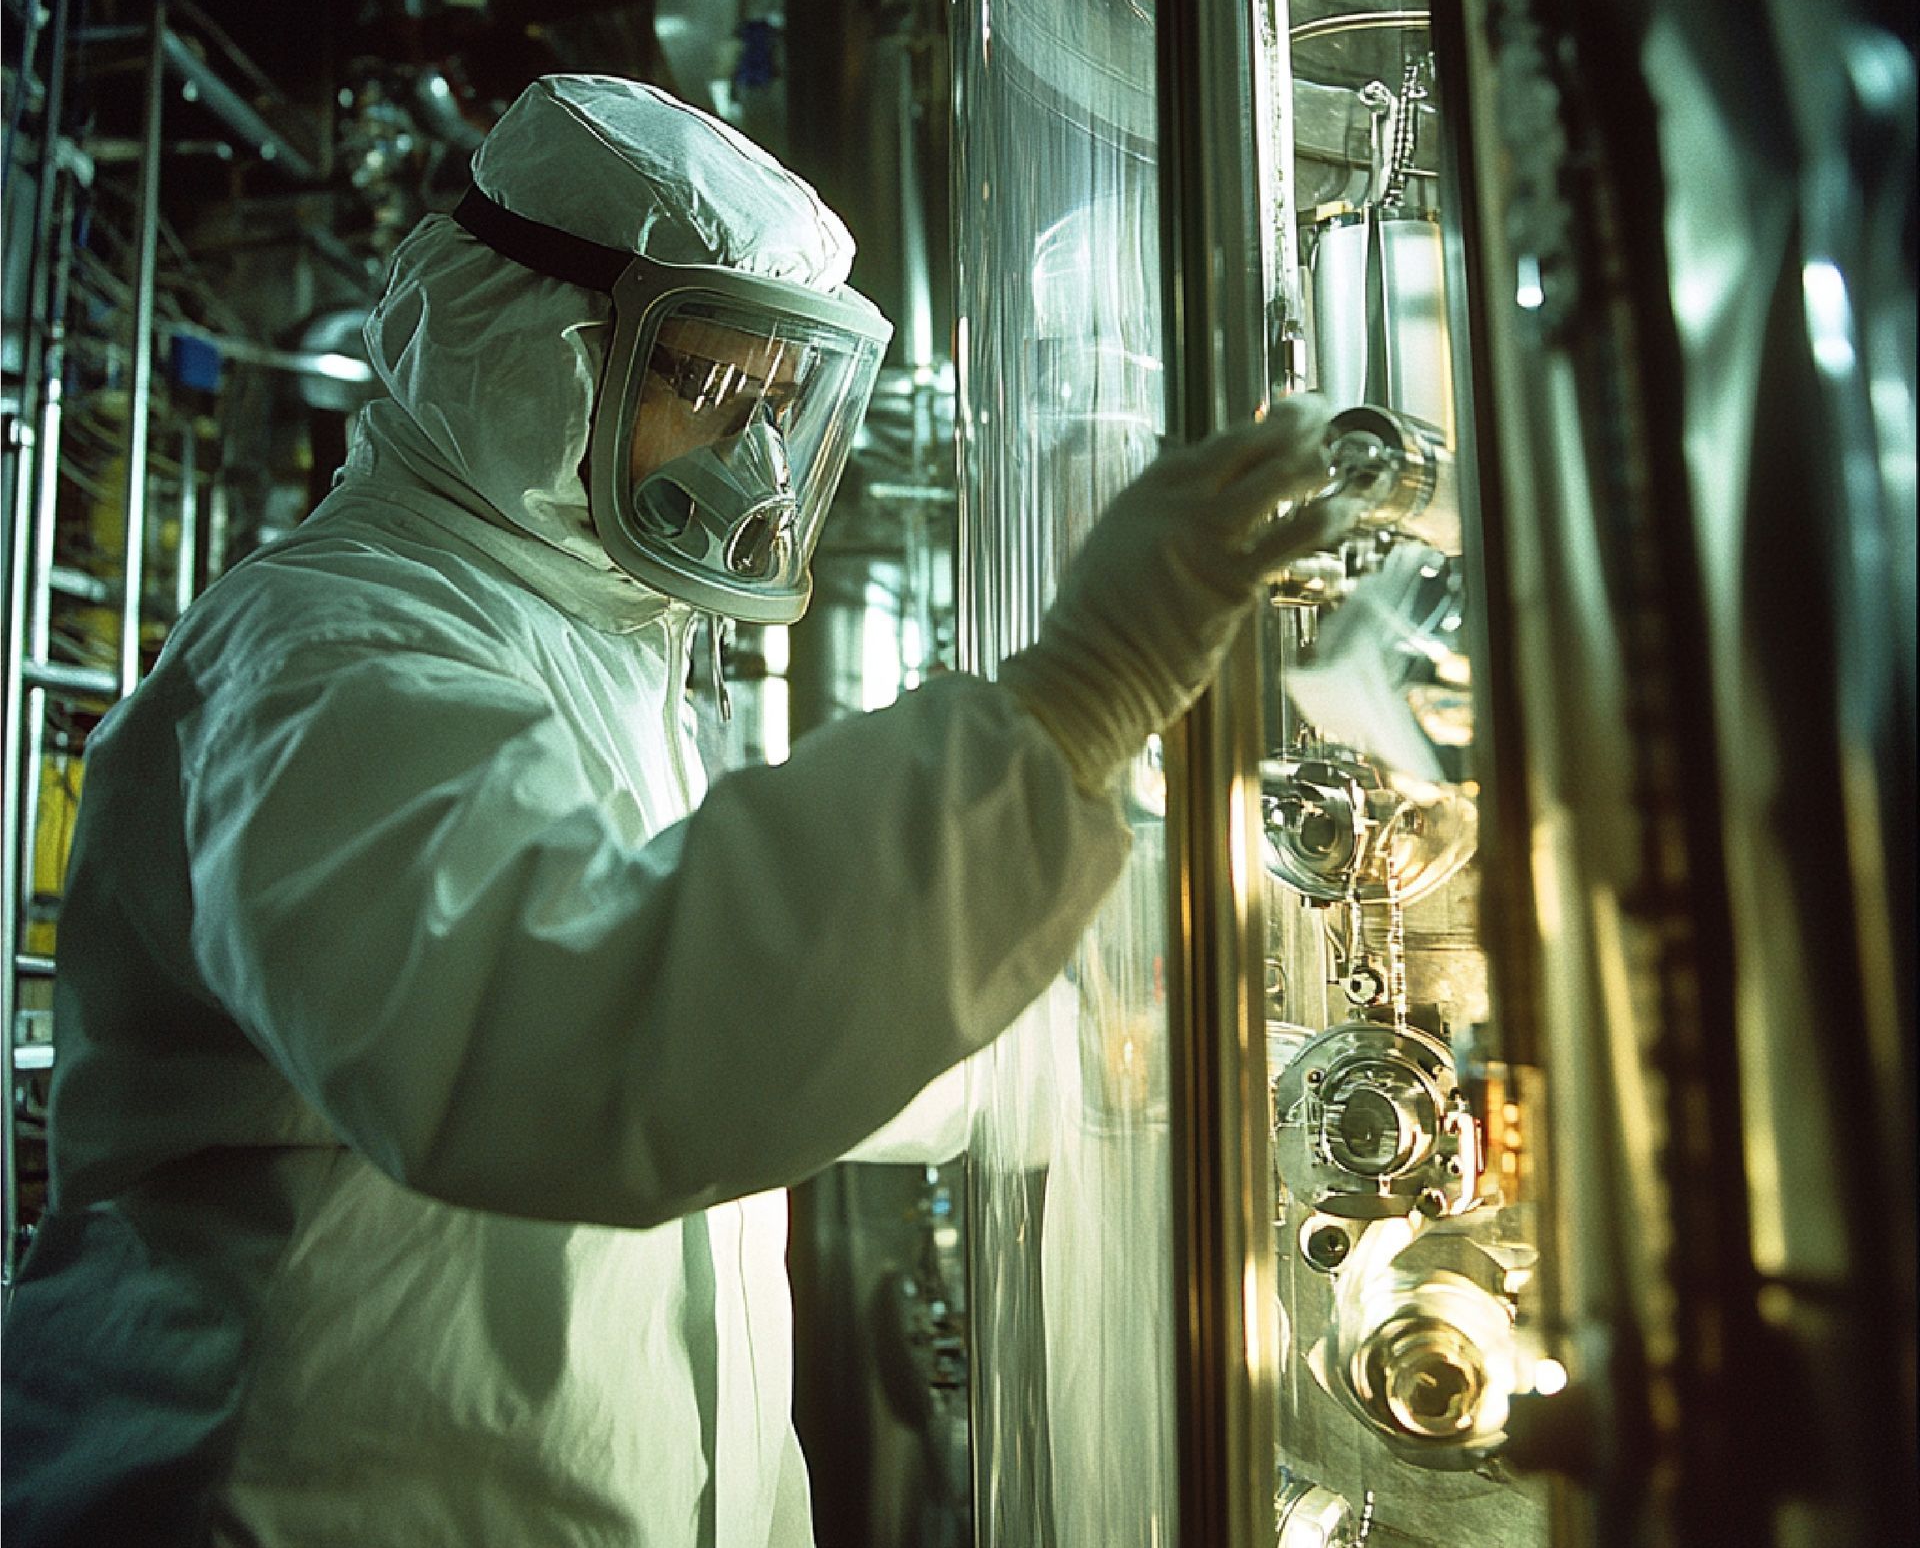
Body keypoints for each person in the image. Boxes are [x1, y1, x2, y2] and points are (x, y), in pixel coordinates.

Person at [0, 75, 1350, 1547]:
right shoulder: (335, 657)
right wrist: (1071, 703)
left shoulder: (589, 656)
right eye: (708, 388)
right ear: (533, 356)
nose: (760, 466)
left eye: (785, 406)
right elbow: (576, 1034)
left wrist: (1096, 1050)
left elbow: (730, 997)